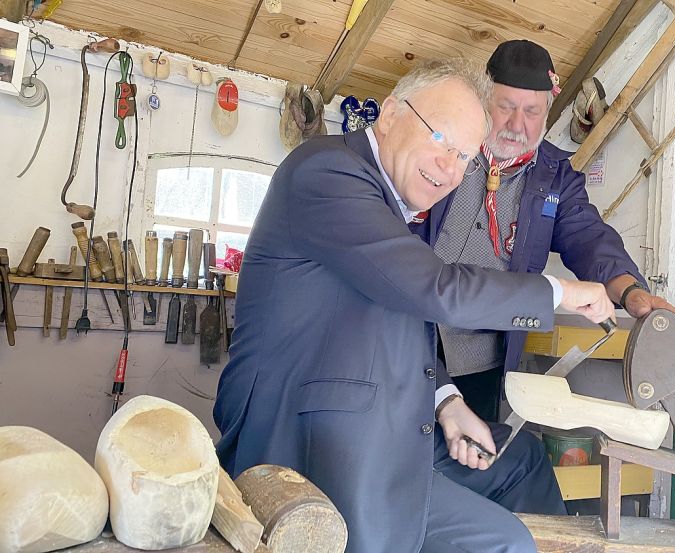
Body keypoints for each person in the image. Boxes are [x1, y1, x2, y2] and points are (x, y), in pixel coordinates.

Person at [212, 58, 615, 553]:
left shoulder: (389, 204)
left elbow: (394, 320)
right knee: (506, 544)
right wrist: (559, 292)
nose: (449, 170)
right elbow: (435, 287)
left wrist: (446, 403)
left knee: (523, 460)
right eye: (441, 140)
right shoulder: (327, 172)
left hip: (389, 427)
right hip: (316, 443)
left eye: (466, 157)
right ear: (390, 115)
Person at [410, 40, 675, 422]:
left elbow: (587, 237)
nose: (516, 125)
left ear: (546, 113)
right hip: (406, 332)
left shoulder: (556, 176)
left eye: (532, 112)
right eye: (505, 107)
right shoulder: (444, 149)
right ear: (482, 100)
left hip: (480, 357)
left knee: (466, 463)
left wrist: (631, 291)